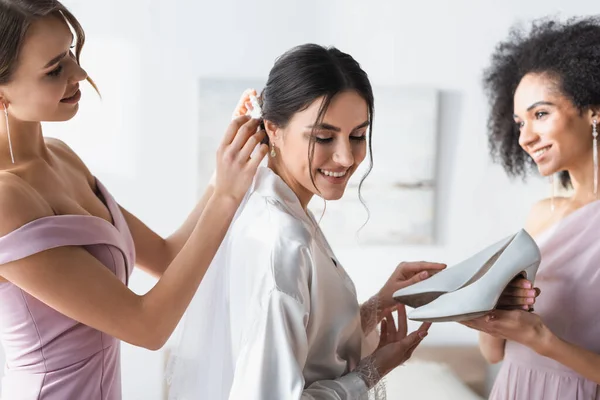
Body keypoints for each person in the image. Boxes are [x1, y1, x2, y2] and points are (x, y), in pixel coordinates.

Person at [0, 1, 268, 399]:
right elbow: (147, 327)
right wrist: (227, 195)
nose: (80, 73)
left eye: (71, 53)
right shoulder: (6, 200)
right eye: (55, 69)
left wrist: (223, 170)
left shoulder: (62, 157)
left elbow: (165, 257)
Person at [166, 43, 448, 400]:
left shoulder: (279, 214)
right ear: (273, 129)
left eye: (358, 135)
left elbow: (310, 345)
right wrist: (374, 368)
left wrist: (380, 302)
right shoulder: (282, 238)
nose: (346, 156)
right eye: (323, 137)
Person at [463, 16, 600, 400]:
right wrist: (487, 310)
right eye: (519, 122)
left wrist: (544, 340)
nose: (525, 137)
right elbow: (495, 355)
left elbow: (538, 341)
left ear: (593, 110)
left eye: (540, 114)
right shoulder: (543, 214)